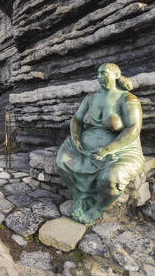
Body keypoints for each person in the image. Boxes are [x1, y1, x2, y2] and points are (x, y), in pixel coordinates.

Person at [56, 63, 144, 224]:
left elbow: (134, 128)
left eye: (104, 73)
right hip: (84, 148)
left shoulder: (128, 99)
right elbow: (76, 119)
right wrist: (75, 139)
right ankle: (81, 199)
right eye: (98, 74)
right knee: (62, 161)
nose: (100, 77)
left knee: (111, 178)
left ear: (116, 75)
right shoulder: (91, 98)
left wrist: (107, 149)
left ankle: (97, 207)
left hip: (120, 150)